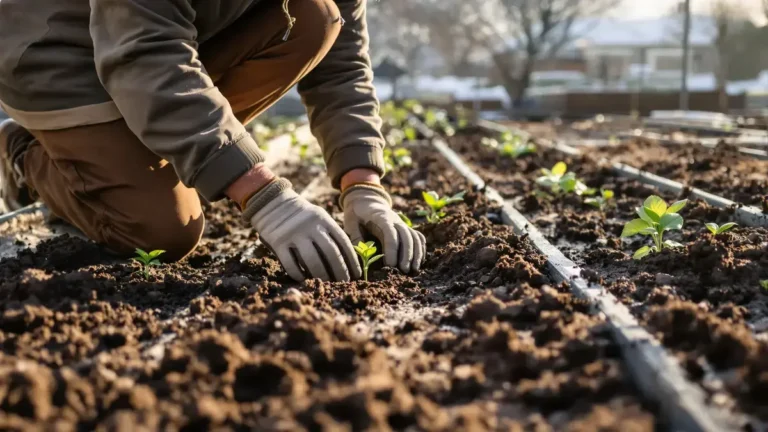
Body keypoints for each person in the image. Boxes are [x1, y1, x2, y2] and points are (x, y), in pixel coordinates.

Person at [0, 0, 425, 282]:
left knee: (317, 16)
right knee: (160, 230)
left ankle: (165, 141)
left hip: (161, 43)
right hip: (54, 52)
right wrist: (263, 195)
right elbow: (147, 53)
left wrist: (363, 184)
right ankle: (26, 154)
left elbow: (343, 66)